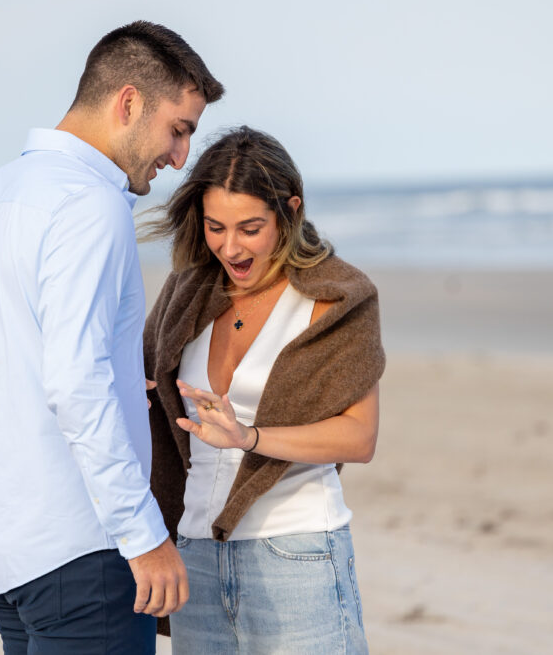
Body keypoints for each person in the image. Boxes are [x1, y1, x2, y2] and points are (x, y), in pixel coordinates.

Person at [0, 21, 223, 654]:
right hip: (82, 562)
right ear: (128, 102)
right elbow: (77, 385)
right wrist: (143, 535)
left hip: (3, 564)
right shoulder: (90, 205)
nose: (181, 157)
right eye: (178, 129)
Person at [143, 126, 385, 653]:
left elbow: (359, 437)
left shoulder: (337, 299)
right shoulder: (185, 293)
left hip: (297, 552)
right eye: (215, 227)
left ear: (289, 211)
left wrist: (249, 437)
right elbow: (151, 395)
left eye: (250, 228)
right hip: (194, 553)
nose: (230, 247)